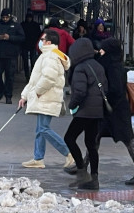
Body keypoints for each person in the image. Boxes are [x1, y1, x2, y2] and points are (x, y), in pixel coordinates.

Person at [18, 29, 74, 169]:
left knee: (43, 128)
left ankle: (69, 153)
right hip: (45, 97)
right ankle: (38, 158)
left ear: (48, 42)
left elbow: (48, 78)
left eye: (42, 40)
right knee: (40, 128)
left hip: (46, 97)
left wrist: (36, 92)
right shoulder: (50, 55)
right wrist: (25, 96)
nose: (40, 42)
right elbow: (34, 79)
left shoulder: (50, 56)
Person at [96, 37, 134, 185]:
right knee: (97, 136)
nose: (101, 51)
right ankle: (82, 167)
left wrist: (105, 98)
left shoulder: (112, 67)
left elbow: (115, 89)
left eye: (103, 49)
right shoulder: (115, 65)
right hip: (116, 110)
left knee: (126, 140)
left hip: (114, 111)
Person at [64, 37, 108, 190]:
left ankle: (82, 173)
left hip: (84, 111)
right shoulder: (98, 66)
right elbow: (105, 88)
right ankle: (94, 178)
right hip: (97, 111)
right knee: (91, 144)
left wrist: (72, 104)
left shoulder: (80, 68)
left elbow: (80, 92)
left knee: (69, 138)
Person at [0, 8, 25, 104]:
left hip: (11, 55)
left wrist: (10, 38)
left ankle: (8, 96)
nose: (5, 19)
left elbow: (22, 38)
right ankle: (1, 88)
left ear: (10, 16)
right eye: (3, 17)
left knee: (10, 76)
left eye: (7, 17)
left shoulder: (16, 26)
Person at [20, 12, 42, 82]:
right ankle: (29, 76)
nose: (29, 19)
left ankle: (30, 76)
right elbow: (39, 35)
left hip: (27, 45)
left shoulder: (23, 25)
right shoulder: (35, 25)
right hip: (30, 45)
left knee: (30, 62)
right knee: (30, 61)